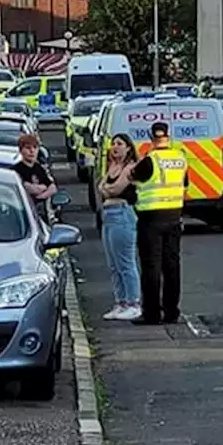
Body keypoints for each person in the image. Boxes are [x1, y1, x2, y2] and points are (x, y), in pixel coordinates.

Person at [130, 122, 187, 325]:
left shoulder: (149, 160)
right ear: (168, 136)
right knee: (172, 266)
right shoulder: (179, 158)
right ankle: (172, 311)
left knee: (151, 267)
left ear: (152, 138)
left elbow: (131, 179)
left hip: (151, 220)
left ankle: (152, 313)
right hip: (174, 217)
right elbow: (185, 184)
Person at [98, 134, 142, 321]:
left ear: (128, 148)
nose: (115, 147)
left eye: (119, 144)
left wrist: (107, 190)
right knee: (113, 264)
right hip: (108, 215)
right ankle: (120, 302)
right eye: (113, 144)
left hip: (123, 214)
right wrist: (106, 190)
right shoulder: (112, 167)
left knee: (125, 262)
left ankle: (133, 302)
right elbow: (101, 187)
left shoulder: (130, 167)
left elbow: (116, 189)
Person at [13, 133, 57, 219]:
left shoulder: (39, 168)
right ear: (21, 150)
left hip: (42, 214)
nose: (32, 151)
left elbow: (52, 187)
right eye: (28, 148)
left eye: (35, 148)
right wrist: (43, 187)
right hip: (23, 214)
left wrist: (40, 197)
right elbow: (29, 188)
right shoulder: (16, 170)